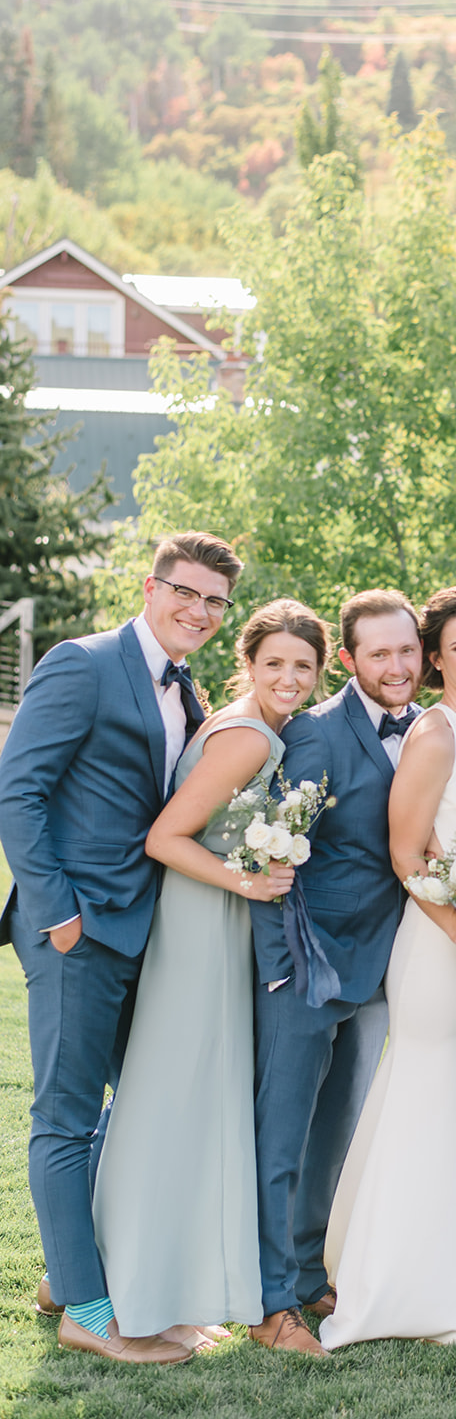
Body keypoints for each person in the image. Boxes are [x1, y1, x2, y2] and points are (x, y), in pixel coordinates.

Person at [0, 532, 242, 1364]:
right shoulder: (83, 662)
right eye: (187, 592)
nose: (199, 611)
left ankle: (75, 1275)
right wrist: (57, 911)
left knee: (136, 1109)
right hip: (79, 930)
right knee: (65, 1119)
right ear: (151, 585)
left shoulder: (188, 692)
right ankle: (89, 1310)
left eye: (215, 602)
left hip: (151, 934)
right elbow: (19, 789)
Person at [91, 598, 329, 1351]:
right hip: (201, 927)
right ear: (248, 664)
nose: (289, 677)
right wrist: (248, 883)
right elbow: (166, 836)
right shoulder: (248, 739)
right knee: (171, 1104)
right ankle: (127, 1296)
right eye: (274, 664)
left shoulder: (249, 725)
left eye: (303, 666)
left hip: (215, 926)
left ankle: (164, 1287)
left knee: (189, 1106)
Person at [320, 587, 456, 1349]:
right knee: (433, 1104)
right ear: (435, 660)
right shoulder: (437, 734)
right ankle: (402, 1284)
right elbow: (404, 853)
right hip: (439, 951)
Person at [249, 589, 422, 1355]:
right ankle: (267, 1300)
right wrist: (281, 967)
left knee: (338, 1133)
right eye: (379, 653)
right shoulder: (316, 736)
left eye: (407, 650)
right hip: (308, 966)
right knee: (280, 1133)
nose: (397, 666)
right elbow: (269, 852)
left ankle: (307, 1267)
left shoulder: (429, 729)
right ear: (348, 660)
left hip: (381, 967)